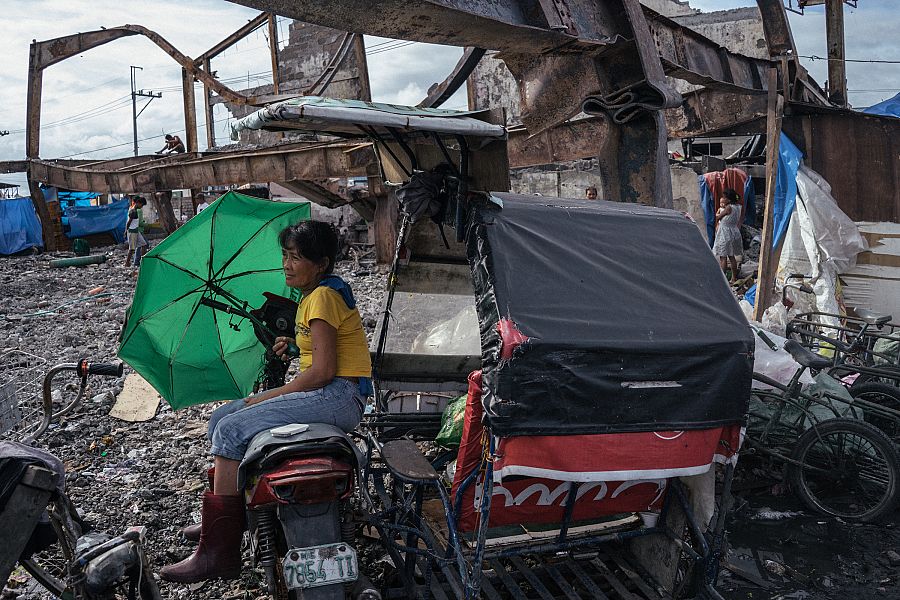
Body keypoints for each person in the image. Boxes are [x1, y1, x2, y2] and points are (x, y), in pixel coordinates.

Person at [160, 220, 372, 584]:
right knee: (221, 418)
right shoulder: (317, 293)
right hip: (335, 392)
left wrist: (265, 397)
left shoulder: (321, 298)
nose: (287, 265)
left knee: (230, 429)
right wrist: (293, 347)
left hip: (339, 395)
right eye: (285, 256)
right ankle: (227, 521)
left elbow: (322, 373)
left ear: (320, 263)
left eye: (295, 258)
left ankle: (219, 553)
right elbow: (319, 354)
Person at [711, 188, 743, 284]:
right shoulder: (738, 206)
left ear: (728, 199)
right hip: (734, 232)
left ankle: (722, 280)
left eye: (724, 197)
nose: (722, 198)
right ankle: (734, 278)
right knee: (731, 256)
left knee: (723, 257)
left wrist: (717, 213)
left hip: (725, 234)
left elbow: (718, 217)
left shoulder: (728, 208)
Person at [124, 197, 148, 268]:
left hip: (136, 231)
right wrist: (126, 231)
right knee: (132, 249)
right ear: (138, 203)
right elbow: (128, 222)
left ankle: (143, 261)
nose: (142, 207)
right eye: (142, 205)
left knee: (144, 244)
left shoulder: (135, 210)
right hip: (132, 232)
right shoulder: (133, 211)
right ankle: (127, 263)